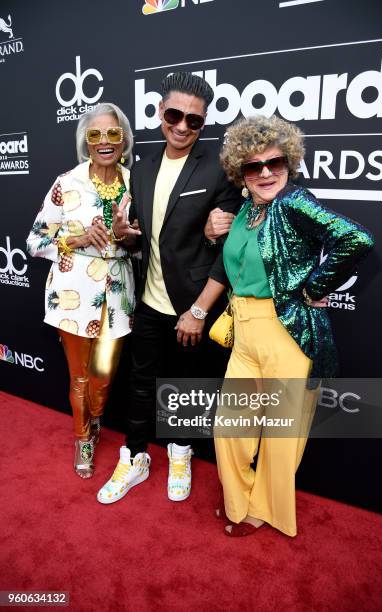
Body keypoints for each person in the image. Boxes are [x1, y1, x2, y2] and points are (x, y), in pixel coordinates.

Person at [205, 115, 374, 537]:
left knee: (281, 436)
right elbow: (240, 263)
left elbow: (356, 239)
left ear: (289, 162)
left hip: (287, 333)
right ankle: (237, 497)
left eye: (275, 163)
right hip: (244, 333)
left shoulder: (295, 202)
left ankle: (262, 510)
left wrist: (315, 285)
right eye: (253, 166)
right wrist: (213, 234)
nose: (265, 173)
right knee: (232, 427)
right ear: (239, 172)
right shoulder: (246, 209)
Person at [97, 72, 240, 504]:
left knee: (187, 385)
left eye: (193, 120)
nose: (181, 126)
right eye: (174, 115)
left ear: (204, 122)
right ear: (160, 112)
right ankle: (136, 456)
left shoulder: (218, 169)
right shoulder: (142, 168)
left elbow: (228, 252)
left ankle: (181, 453)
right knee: (141, 384)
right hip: (148, 301)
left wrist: (198, 311)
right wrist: (124, 234)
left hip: (192, 305)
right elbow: (143, 237)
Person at [26, 103, 136, 478]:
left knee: (103, 377)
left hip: (118, 299)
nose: (104, 142)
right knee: (80, 377)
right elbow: (34, 241)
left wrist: (128, 237)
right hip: (72, 298)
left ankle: (97, 418)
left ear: (123, 140)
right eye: (95, 135)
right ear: (85, 143)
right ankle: (82, 436)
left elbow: (146, 241)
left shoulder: (135, 183)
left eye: (112, 134)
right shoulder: (66, 183)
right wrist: (75, 239)